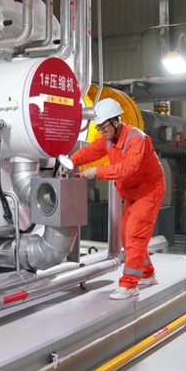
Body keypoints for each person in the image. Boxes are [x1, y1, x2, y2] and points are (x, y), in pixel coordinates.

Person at [67, 98, 166, 300]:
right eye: (99, 127)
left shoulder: (136, 139)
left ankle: (130, 284)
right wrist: (70, 161)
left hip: (148, 192)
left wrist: (96, 171)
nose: (101, 132)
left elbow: (127, 168)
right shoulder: (109, 139)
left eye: (103, 127)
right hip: (131, 194)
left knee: (134, 235)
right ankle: (147, 274)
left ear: (115, 121)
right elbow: (91, 151)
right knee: (126, 236)